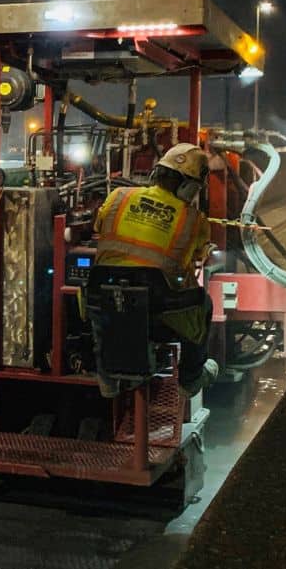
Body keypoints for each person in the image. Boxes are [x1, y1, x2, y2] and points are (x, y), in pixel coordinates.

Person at [92, 143, 220, 397]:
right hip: (155, 316)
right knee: (202, 304)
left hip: (104, 305)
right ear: (189, 187)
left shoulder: (118, 196)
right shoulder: (194, 220)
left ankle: (106, 378)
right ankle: (190, 379)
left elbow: (98, 225)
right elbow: (195, 257)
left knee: (103, 300)